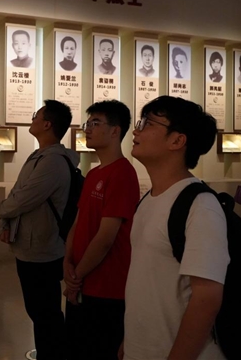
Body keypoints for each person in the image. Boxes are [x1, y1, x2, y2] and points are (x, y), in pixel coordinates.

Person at [123, 95, 229, 360]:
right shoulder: (148, 200)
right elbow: (148, 281)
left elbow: (207, 299)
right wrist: (131, 340)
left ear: (177, 141)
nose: (136, 131)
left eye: (148, 124)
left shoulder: (200, 206)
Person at [0, 100, 78, 360]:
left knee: (45, 311)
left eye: (36, 116)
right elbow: (18, 193)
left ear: (47, 124)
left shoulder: (53, 161)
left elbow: (24, 198)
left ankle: (53, 353)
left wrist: (0, 210)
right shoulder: (39, 156)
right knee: (38, 309)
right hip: (31, 245)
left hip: (42, 248)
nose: (32, 119)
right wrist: (6, 222)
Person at [65, 100, 139, 360]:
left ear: (115, 131)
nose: (88, 129)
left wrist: (76, 277)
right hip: (81, 282)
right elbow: (78, 223)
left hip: (106, 288)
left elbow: (106, 238)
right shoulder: (94, 174)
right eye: (88, 123)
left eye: (96, 123)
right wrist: (67, 262)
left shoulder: (123, 173)